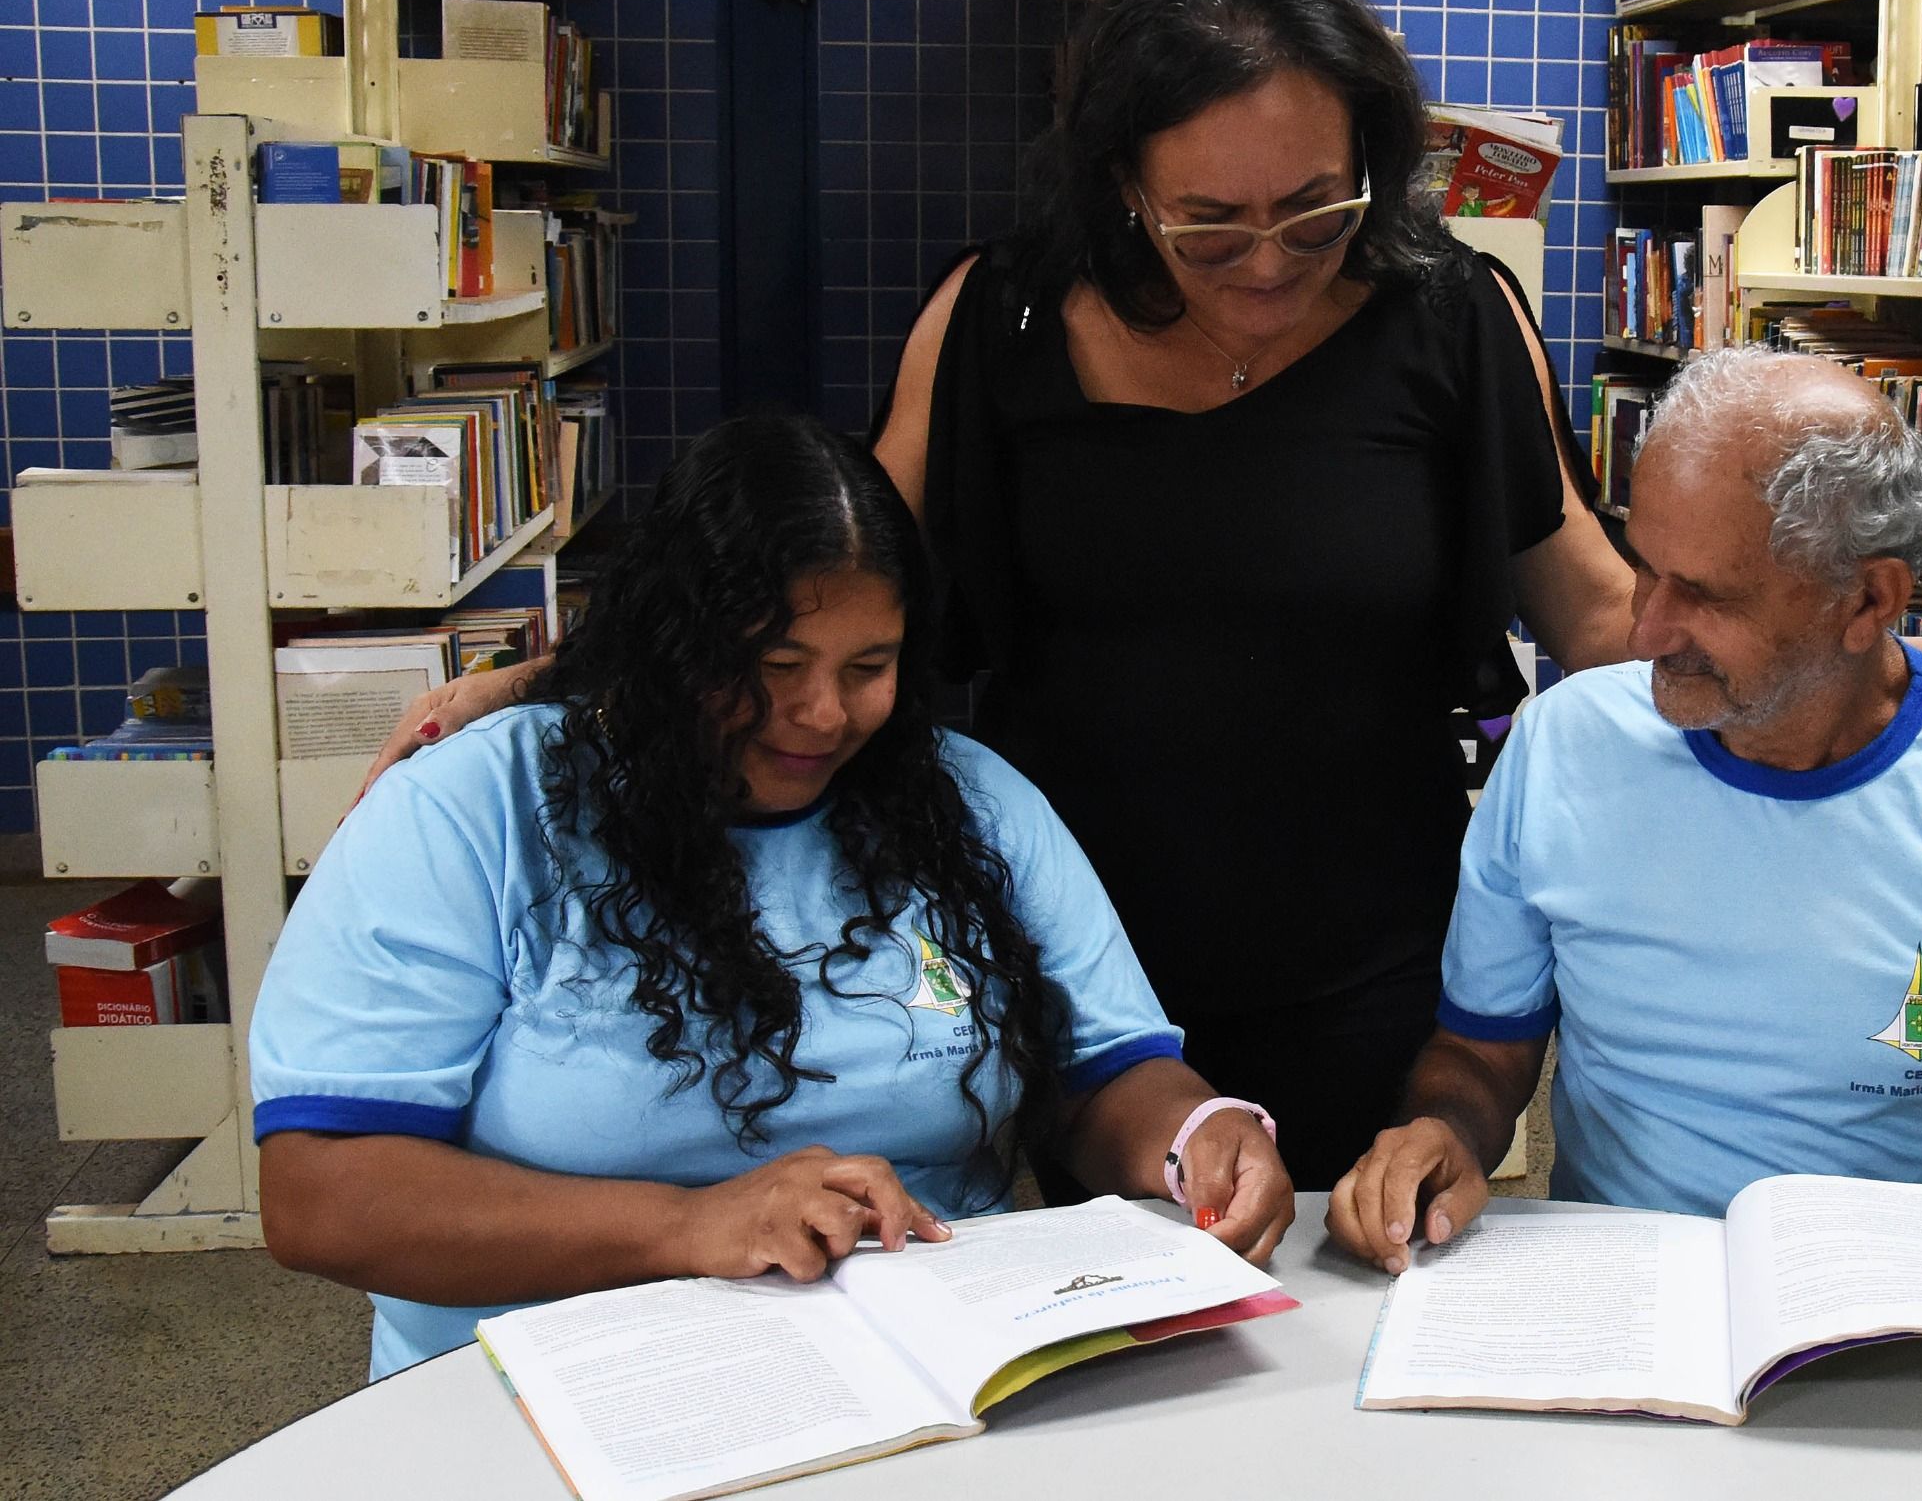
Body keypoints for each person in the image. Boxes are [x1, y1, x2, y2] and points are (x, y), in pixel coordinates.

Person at [364, 0, 1922, 1187]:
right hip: (1039, 951)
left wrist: (1864, 670)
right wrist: (553, 672)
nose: (1266, 267)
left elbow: (1594, 604)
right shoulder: (1000, 318)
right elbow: (821, 578)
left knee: (1333, 1352)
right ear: (1117, 187)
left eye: (1314, 213)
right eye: (1206, 224)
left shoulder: (1452, 321)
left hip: (1364, 953)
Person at [251, 416, 1292, 1380]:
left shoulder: (967, 803)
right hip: (553, 1377)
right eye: (773, 662)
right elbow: (322, 1195)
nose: (823, 712)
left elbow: (1104, 1068)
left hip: (919, 1364)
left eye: (869, 665)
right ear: (672, 644)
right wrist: (686, 1223)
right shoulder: (473, 810)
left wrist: (1192, 1129)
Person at [1327, 349, 1922, 1290]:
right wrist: (1442, 1131)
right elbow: (1478, 1053)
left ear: (1870, 600)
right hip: (1629, 1306)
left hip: (1920, 1319)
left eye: (1705, 595)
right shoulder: (1563, 749)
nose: (1646, 631)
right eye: (1643, 567)